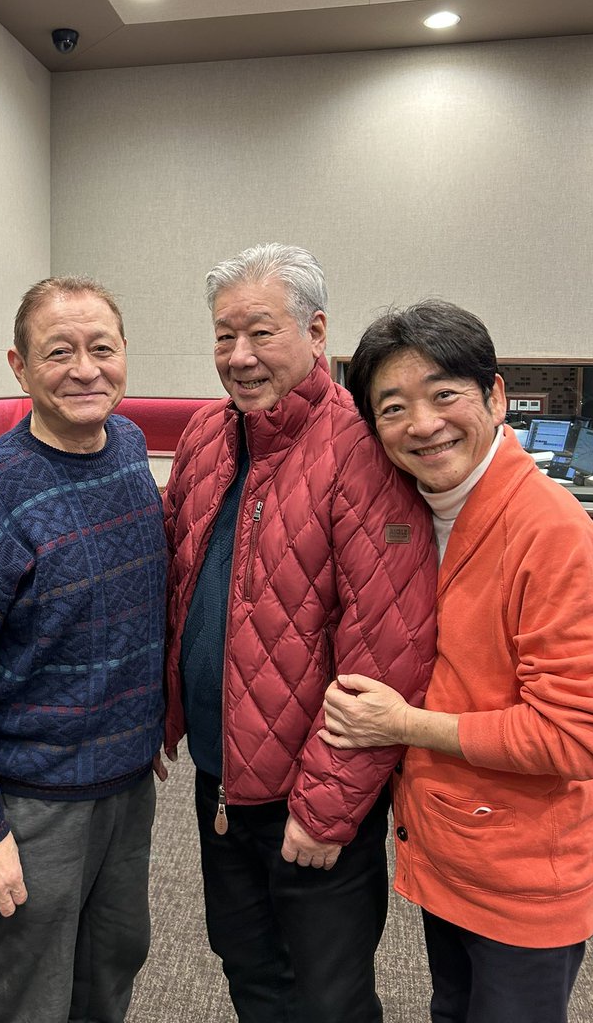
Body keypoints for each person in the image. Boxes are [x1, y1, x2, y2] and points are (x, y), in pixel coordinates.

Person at [162, 242, 438, 1023]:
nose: (239, 356)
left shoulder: (361, 450)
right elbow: (178, 591)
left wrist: (326, 807)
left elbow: (388, 653)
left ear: (316, 333)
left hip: (310, 795)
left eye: (261, 333)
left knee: (328, 998)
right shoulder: (207, 436)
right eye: (224, 336)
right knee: (249, 971)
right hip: (220, 780)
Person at [323, 299, 593, 1023]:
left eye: (444, 395)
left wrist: (403, 725)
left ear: (496, 397)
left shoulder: (552, 532)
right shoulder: (415, 513)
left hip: (523, 878)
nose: (422, 424)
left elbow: (575, 737)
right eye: (392, 407)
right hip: (448, 850)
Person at [0, 276, 166, 1023]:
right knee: (25, 993)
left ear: (125, 355)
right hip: (35, 802)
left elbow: (133, 608)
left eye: (102, 348)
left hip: (129, 783)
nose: (85, 369)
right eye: (59, 352)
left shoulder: (129, 447)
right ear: (19, 367)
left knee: (112, 966)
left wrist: (149, 720)